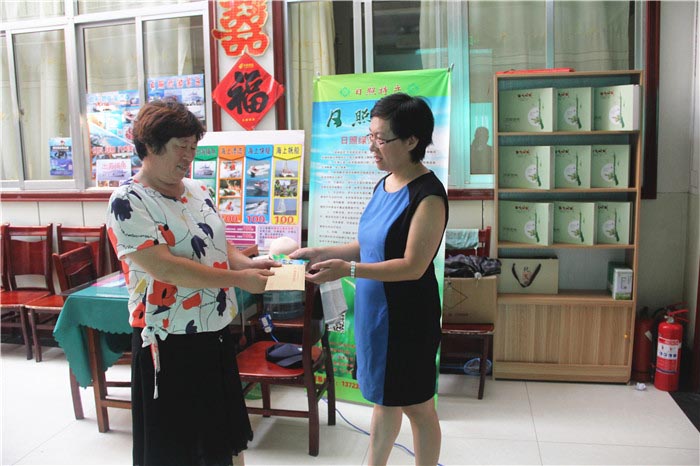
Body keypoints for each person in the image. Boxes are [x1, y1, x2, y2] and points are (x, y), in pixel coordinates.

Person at [106, 100, 278, 466]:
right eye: (180, 147)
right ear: (150, 146)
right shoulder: (128, 200)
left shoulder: (197, 190)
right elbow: (167, 268)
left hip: (213, 330)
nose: (189, 156)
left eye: (193, 147)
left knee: (221, 438)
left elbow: (218, 244)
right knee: (177, 448)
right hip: (167, 340)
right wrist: (240, 279)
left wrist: (249, 263)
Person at [290, 93, 448, 466]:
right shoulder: (385, 184)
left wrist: (348, 270)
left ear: (411, 141)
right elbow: (369, 246)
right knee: (384, 398)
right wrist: (322, 252)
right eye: (370, 136)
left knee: (418, 406)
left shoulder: (428, 196)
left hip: (408, 319)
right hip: (376, 315)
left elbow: (412, 266)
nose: (372, 147)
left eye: (381, 138)